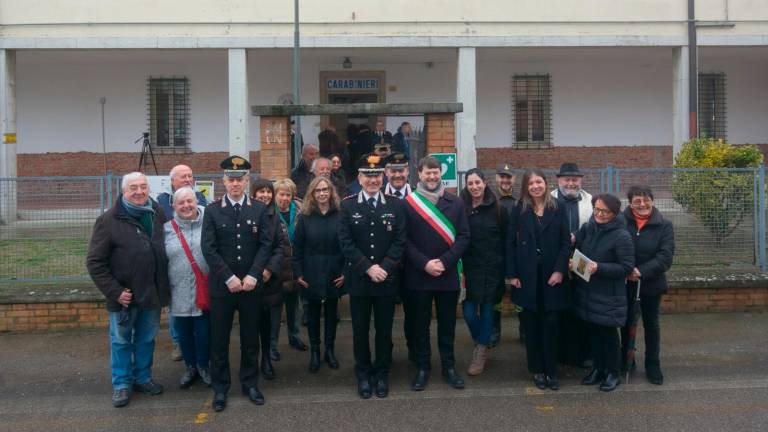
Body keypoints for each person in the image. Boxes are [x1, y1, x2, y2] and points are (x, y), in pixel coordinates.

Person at [86, 172, 169, 408]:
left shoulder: (157, 214)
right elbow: (95, 262)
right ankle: (122, 384)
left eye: (143, 187)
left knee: (146, 339)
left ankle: (143, 378)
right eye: (134, 187)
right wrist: (115, 291)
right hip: (125, 297)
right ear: (124, 191)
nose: (140, 191)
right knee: (121, 341)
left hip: (151, 293)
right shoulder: (108, 221)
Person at [201, 156, 274, 411]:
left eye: (239, 179)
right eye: (230, 179)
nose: (235, 183)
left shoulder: (259, 209)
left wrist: (254, 274)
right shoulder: (212, 210)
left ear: (246, 180)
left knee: (250, 338)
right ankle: (220, 388)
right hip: (224, 287)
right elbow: (208, 249)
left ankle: (250, 383)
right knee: (219, 340)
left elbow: (266, 244)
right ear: (223, 181)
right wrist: (228, 277)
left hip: (252, 286)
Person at [338, 154, 406, 399]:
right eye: (368, 175)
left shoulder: (396, 205)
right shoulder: (347, 205)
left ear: (384, 176)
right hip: (360, 280)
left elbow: (400, 240)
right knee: (360, 330)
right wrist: (368, 267)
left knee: (384, 330)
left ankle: (382, 373)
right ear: (359, 177)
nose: (373, 180)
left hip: (386, 280)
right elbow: (345, 242)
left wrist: (385, 267)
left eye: (377, 175)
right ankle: (364, 374)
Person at [403, 156, 470, 391]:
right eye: (427, 173)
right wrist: (425, 264)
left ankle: (449, 366)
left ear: (441, 174)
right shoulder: (409, 204)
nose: (432, 177)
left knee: (447, 325)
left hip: (447, 274)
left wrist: (444, 261)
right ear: (419, 174)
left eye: (436, 172)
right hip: (419, 275)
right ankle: (423, 367)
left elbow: (463, 237)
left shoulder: (456, 202)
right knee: (420, 326)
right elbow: (405, 240)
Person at [506, 170, 571, 390]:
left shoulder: (558, 207)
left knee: (552, 325)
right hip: (526, 277)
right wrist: (512, 274)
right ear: (525, 187)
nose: (535, 186)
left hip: (553, 277)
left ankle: (552, 370)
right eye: (531, 183)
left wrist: (560, 270)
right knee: (531, 327)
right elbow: (510, 243)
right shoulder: (519, 208)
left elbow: (565, 242)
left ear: (545, 183)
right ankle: (537, 370)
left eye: (539, 182)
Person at [573, 193, 635, 392]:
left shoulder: (621, 236)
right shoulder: (589, 227)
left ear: (614, 213)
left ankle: (613, 373)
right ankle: (598, 369)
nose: (599, 214)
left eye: (605, 211)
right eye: (597, 209)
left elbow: (626, 268)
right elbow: (577, 242)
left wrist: (599, 267)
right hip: (588, 291)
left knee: (608, 336)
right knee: (593, 333)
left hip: (609, 294)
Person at [621, 185, 675, 385]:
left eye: (646, 200)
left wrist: (640, 271)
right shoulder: (620, 221)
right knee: (626, 323)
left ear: (652, 200)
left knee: (651, 325)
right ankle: (626, 359)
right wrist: (625, 269)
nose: (642, 204)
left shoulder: (664, 225)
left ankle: (653, 364)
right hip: (625, 282)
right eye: (637, 201)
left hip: (651, 284)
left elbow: (665, 257)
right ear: (630, 203)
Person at [293, 176, 346, 373]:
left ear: (331, 192)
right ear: (312, 194)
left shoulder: (341, 215)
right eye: (318, 191)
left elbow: (348, 246)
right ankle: (315, 351)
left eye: (325, 190)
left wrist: (345, 272)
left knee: (332, 314)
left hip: (334, 271)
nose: (322, 193)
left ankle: (329, 350)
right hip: (311, 271)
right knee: (313, 315)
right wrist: (298, 273)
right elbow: (297, 248)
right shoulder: (305, 217)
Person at [156, 164, 207, 362]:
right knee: (178, 318)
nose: (187, 179)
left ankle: (202, 362)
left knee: (203, 321)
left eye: (190, 175)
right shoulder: (162, 201)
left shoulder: (201, 199)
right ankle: (180, 346)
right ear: (172, 181)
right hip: (177, 271)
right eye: (182, 176)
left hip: (200, 274)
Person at [460, 169, 508, 376]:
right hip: (468, 270)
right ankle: (483, 339)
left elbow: (506, 241)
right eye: (470, 184)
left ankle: (480, 351)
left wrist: (507, 270)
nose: (474, 187)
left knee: (488, 311)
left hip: (492, 269)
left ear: (484, 183)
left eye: (477, 182)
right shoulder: (460, 207)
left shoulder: (498, 209)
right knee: (469, 313)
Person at [163, 187, 211, 389]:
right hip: (178, 290)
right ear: (174, 206)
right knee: (183, 334)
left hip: (205, 290)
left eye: (189, 201)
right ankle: (190, 367)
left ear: (197, 201)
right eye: (181, 203)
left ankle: (204, 366)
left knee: (204, 332)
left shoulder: (209, 224)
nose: (186, 206)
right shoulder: (166, 229)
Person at [551, 162, 594, 369]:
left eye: (574, 179)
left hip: (582, 261)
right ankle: (559, 353)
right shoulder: (548, 199)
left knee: (582, 306)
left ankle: (583, 353)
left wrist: (577, 235)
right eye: (566, 179)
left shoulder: (591, 201)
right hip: (555, 262)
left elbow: (594, 228)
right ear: (559, 180)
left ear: (581, 181)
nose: (570, 183)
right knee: (558, 308)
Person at [251, 179, 287, 381]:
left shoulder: (275, 217)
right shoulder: (247, 213)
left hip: (269, 281)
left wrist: (269, 270)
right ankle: (252, 361)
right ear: (253, 194)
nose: (265, 195)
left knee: (267, 325)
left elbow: (279, 247)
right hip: (249, 279)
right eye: (260, 191)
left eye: (268, 192)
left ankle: (266, 360)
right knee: (250, 326)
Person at [270, 178, 308, 362]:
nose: (285, 198)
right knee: (276, 310)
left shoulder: (301, 212)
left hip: (295, 268)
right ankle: (272, 344)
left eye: (288, 194)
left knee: (294, 307)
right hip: (278, 269)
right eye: (281, 194)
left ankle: (294, 336)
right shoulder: (269, 214)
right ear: (275, 195)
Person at [383, 153, 414, 361]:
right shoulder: (377, 196)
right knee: (384, 316)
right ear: (386, 172)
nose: (397, 175)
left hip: (413, 265)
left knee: (414, 314)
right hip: (386, 266)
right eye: (393, 171)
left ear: (408, 171)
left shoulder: (418, 197)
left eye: (401, 170)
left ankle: (415, 350)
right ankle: (386, 353)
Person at [491, 163, 517, 348]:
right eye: (502, 177)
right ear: (496, 179)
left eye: (509, 177)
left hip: (517, 255)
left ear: (514, 179)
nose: (505, 180)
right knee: (495, 296)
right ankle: (494, 331)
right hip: (496, 256)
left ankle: (524, 330)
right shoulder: (491, 201)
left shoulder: (520, 201)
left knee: (521, 295)